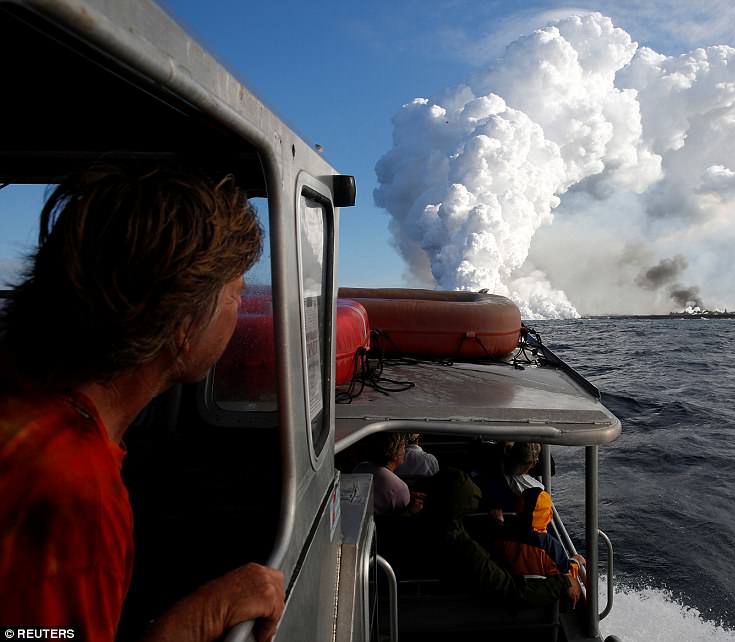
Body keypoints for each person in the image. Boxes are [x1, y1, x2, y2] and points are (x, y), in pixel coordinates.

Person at [0, 166, 283, 642]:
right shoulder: (73, 491)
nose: (243, 305)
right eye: (237, 293)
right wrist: (198, 619)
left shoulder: (26, 401)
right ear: (181, 324)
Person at [420, 469, 579, 608]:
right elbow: (511, 592)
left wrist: (497, 525)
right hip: (478, 610)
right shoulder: (463, 548)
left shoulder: (416, 530)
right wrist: (572, 569)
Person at [492, 487, 586, 583]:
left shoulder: (503, 533)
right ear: (548, 515)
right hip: (541, 594)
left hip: (510, 588)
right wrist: (576, 562)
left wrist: (497, 522)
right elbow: (566, 580)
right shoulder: (549, 545)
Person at [352, 431, 425, 516]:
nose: (405, 451)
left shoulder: (361, 467)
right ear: (394, 455)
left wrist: (408, 494)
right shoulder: (400, 489)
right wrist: (411, 511)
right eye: (403, 447)